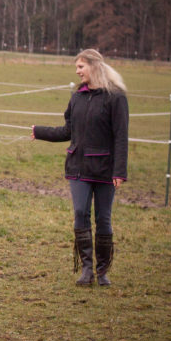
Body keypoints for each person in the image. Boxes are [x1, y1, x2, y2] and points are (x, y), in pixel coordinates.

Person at [32, 49, 129, 286]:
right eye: (76, 67)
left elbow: (121, 137)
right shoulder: (77, 97)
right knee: (80, 215)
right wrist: (40, 131)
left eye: (81, 67)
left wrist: (119, 171)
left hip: (105, 169)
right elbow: (68, 131)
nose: (77, 71)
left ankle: (102, 271)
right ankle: (86, 270)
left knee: (103, 219)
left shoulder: (115, 98)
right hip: (78, 168)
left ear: (94, 66)